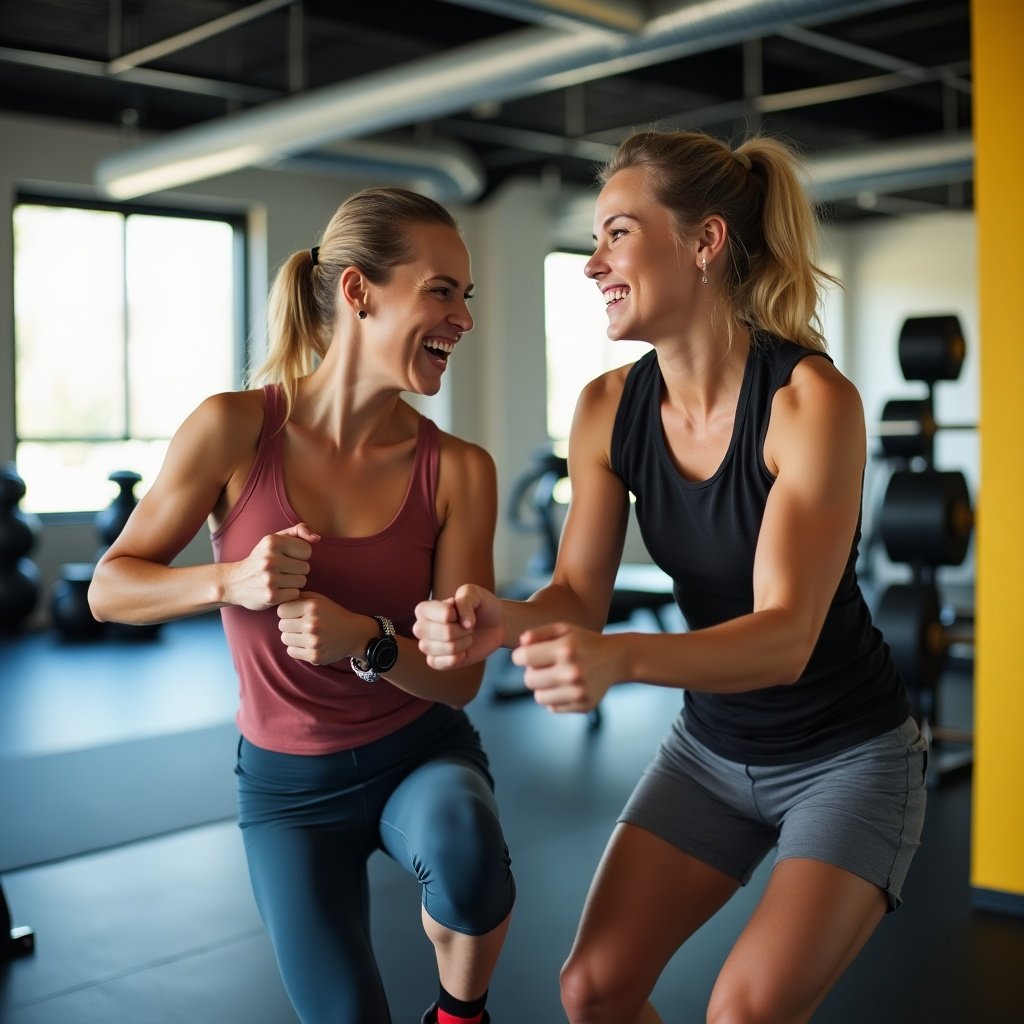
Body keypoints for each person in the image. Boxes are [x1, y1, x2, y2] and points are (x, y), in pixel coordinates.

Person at [413, 129, 926, 1024]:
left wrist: (621, 659)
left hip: (849, 758)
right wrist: (503, 617)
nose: (591, 263)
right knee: (594, 991)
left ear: (704, 242)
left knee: (742, 1015)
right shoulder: (609, 408)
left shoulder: (810, 403)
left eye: (617, 231)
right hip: (713, 753)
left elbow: (784, 636)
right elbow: (577, 594)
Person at [89, 186, 515, 1024]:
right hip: (288, 792)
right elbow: (111, 587)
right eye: (441, 290)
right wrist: (230, 580)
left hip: (418, 754)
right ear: (358, 293)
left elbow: (461, 682)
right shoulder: (234, 430)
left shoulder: (460, 470)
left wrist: (371, 641)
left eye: (467, 296)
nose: (463, 318)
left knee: (467, 849)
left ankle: (460, 1017)